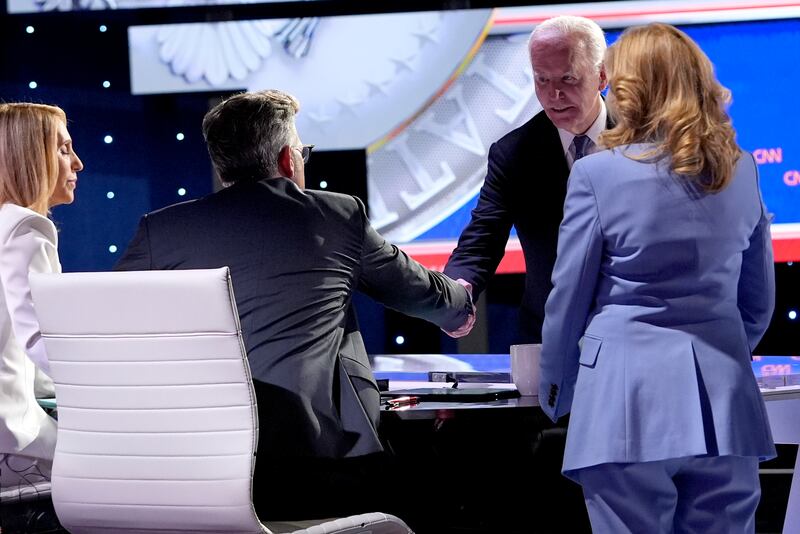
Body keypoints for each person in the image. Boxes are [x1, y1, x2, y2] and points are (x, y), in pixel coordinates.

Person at [114, 90, 473, 523]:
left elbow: (100, 324)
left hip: (205, 471)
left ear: (222, 166)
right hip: (327, 462)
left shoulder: (161, 230)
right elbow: (423, 294)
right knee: (447, 493)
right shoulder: (337, 215)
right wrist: (461, 304)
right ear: (288, 159)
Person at [540, 23, 776, 533]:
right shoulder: (743, 169)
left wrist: (557, 391)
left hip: (623, 406)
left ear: (630, 88)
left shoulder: (596, 174)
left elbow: (568, 301)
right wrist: (720, 356)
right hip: (727, 408)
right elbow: (757, 305)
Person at [444, 15, 609, 342]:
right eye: (542, 80)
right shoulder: (514, 153)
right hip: (551, 333)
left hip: (639, 331)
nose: (554, 94)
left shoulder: (646, 136)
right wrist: (456, 291)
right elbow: (484, 235)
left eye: (568, 78)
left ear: (601, 75)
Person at [0, 103, 84, 492]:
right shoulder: (24, 228)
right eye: (64, 150)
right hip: (13, 440)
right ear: (30, 158)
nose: (77, 163)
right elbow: (39, 338)